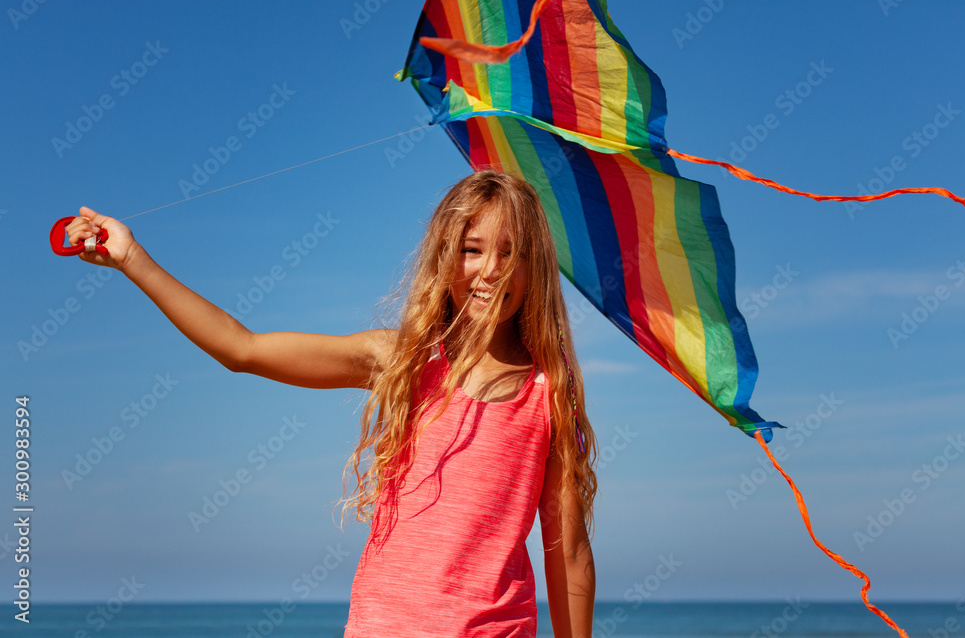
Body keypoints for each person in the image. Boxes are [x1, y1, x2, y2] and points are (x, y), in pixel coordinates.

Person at [65, 169, 597, 637]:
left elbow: (568, 550)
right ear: (445, 257)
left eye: (512, 253)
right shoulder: (402, 361)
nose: (491, 270)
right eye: (473, 249)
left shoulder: (548, 392)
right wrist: (133, 259)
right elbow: (241, 349)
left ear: (535, 268)